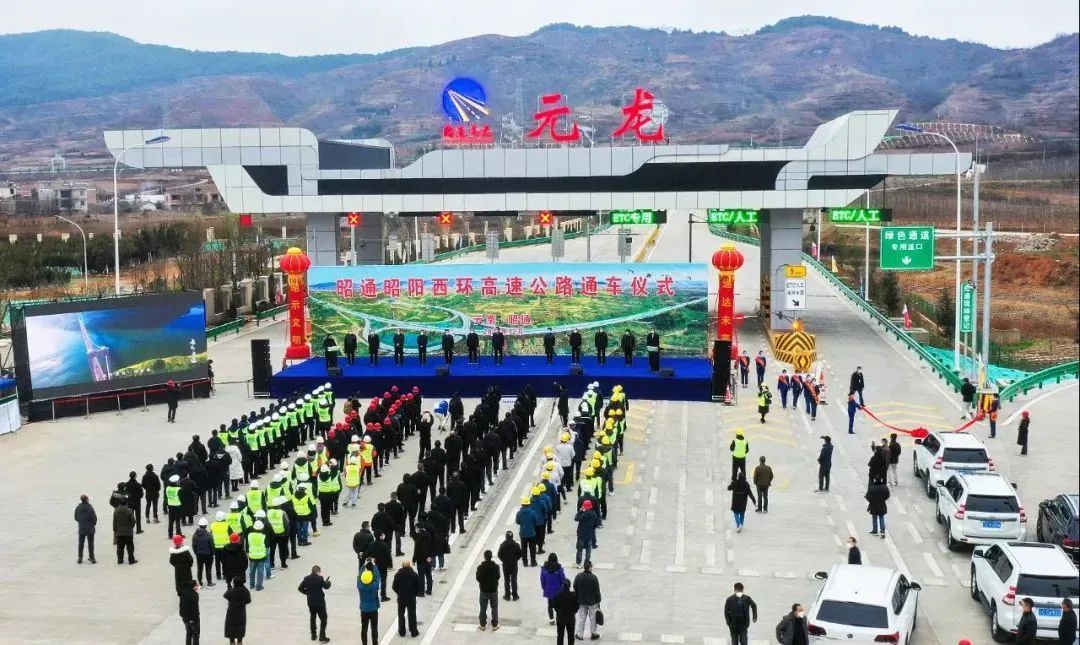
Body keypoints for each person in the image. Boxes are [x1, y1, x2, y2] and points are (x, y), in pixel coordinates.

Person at [298, 565, 332, 643]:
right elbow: (326, 586)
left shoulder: (306, 578)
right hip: (320, 602)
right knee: (323, 619)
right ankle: (322, 636)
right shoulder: (320, 578)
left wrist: (307, 593)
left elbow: (300, 588)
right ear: (318, 571)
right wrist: (329, 582)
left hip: (311, 602)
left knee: (312, 617)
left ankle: (313, 635)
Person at [392, 560, 422, 638]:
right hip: (411, 598)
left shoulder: (398, 574)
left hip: (401, 598)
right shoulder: (414, 574)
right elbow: (419, 586)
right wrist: (415, 593)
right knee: (412, 614)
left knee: (401, 615)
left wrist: (399, 592)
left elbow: (394, 586)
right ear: (410, 566)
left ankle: (402, 631)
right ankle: (413, 631)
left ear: (402, 566)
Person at [573, 561, 602, 641]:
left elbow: (575, 587)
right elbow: (597, 591)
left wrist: (578, 596)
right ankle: (594, 634)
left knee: (582, 618)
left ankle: (580, 635)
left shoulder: (578, 576)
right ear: (590, 568)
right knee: (593, 618)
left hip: (582, 601)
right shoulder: (594, 578)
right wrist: (598, 601)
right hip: (592, 602)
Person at [476, 549, 501, 631]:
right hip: (493, 590)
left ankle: (482, 624)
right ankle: (495, 624)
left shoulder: (480, 567)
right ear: (491, 557)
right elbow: (498, 576)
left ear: (484, 557)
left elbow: (478, 578)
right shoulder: (496, 567)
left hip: (484, 590)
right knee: (494, 607)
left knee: (483, 608)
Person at [357, 560, 381, 645]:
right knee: (374, 628)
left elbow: (359, 576)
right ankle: (375, 643)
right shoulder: (374, 586)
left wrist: (363, 566)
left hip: (364, 609)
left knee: (364, 628)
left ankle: (364, 643)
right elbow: (377, 577)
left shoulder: (360, 586)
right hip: (373, 609)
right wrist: (374, 566)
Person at [541, 553, 568, 625]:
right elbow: (563, 579)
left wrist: (544, 588)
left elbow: (542, 580)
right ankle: (559, 618)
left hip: (549, 590)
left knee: (550, 605)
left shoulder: (544, 569)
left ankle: (551, 619)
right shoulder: (559, 569)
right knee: (559, 606)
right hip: (558, 591)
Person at [223, 577, 250, 645]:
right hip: (241, 612)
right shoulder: (245, 591)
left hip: (231, 612)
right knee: (240, 628)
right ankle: (239, 642)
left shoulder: (231, 591)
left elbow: (225, 595)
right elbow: (248, 601)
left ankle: (232, 642)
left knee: (231, 628)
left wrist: (230, 588)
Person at [497, 530, 522, 601]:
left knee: (506, 580)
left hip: (506, 565)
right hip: (514, 564)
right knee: (514, 580)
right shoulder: (516, 545)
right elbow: (520, 554)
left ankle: (507, 595)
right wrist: (516, 559)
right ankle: (515, 595)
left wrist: (503, 560)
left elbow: (499, 555)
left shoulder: (503, 545)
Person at [574, 499, 600, 565]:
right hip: (589, 534)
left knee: (579, 549)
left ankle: (578, 563)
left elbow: (576, 518)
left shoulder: (584, 515)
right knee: (588, 550)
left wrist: (580, 511)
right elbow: (596, 524)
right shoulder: (594, 514)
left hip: (581, 534)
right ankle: (587, 562)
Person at [553, 579, 579, 645]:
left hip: (560, 618)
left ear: (562, 585)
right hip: (570, 618)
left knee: (560, 635)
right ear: (570, 586)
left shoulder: (557, 595)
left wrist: (558, 612)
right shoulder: (574, 595)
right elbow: (577, 607)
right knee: (571, 636)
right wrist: (573, 612)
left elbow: (554, 606)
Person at [74, 494, 97, 564]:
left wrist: (81, 522)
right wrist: (93, 524)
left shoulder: (78, 508)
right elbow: (94, 518)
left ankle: (80, 558)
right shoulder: (90, 508)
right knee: (91, 543)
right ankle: (92, 557)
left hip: (82, 528)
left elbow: (76, 518)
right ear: (86, 500)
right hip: (90, 528)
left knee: (81, 543)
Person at [192, 518, 215, 585]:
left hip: (199, 555)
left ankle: (200, 582)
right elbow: (212, 545)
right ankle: (209, 582)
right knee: (208, 569)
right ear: (206, 525)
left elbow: (194, 545)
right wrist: (213, 553)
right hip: (208, 555)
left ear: (199, 525)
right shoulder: (209, 535)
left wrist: (196, 553)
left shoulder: (195, 535)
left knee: (200, 569)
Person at [179, 580, 201, 645]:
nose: (199, 586)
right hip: (193, 619)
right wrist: (193, 619)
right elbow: (194, 609)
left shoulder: (184, 591)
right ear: (194, 586)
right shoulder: (195, 595)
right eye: (197, 585)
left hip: (185, 618)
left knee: (188, 633)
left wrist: (183, 616)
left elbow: (181, 605)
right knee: (196, 634)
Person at [125, 470, 145, 534]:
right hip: (137, 502)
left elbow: (125, 493)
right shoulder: (138, 485)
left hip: (129, 502)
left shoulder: (126, 484)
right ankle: (138, 529)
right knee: (138, 516)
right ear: (135, 476)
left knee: (130, 517)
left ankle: (130, 529)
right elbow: (141, 495)